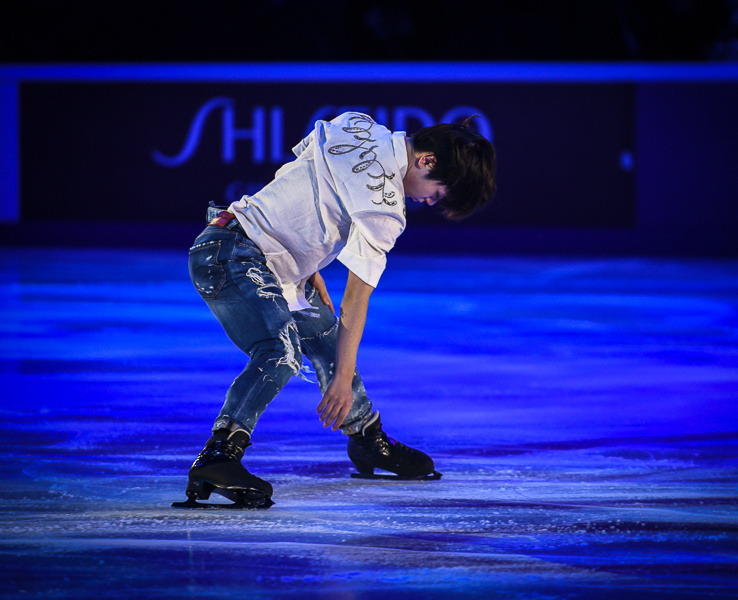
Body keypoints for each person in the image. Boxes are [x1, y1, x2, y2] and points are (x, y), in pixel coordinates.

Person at [173, 111, 496, 509]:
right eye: (437, 192)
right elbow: (354, 303)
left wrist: (302, 263)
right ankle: (219, 455)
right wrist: (341, 379)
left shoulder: (356, 125)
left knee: (325, 337)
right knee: (280, 351)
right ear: (426, 161)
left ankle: (367, 441)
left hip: (256, 252)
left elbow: (295, 174)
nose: (428, 200)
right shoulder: (387, 207)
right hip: (231, 255)